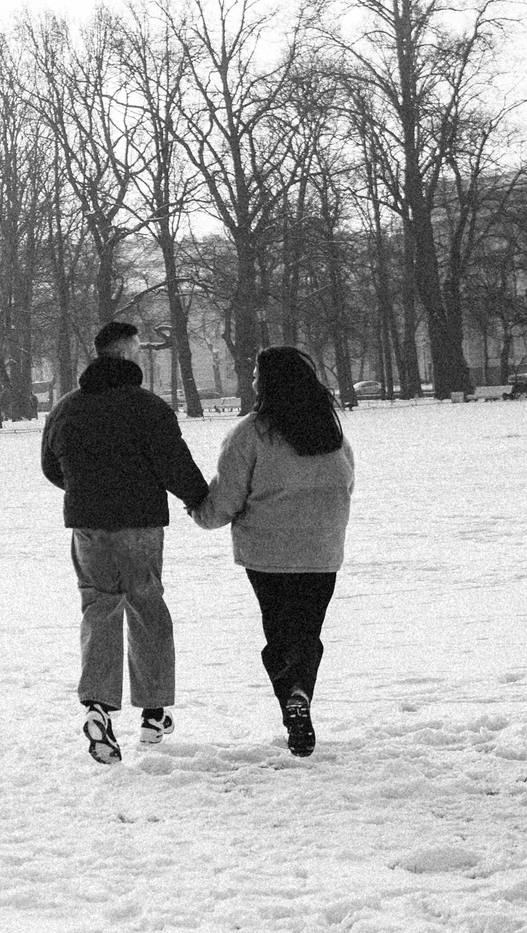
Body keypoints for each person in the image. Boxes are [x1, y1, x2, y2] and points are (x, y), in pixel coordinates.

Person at [41, 320, 211, 764]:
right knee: (146, 605)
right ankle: (153, 710)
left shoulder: (67, 408)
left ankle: (98, 705)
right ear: (128, 351)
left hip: (89, 524)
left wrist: (86, 489)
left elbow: (51, 465)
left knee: (99, 607)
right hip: (140, 522)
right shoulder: (148, 408)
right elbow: (174, 462)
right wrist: (200, 502)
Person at [190, 346, 354, 757]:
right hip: (322, 550)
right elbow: (346, 483)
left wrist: (199, 510)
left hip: (269, 554)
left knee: (280, 633)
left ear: (269, 382)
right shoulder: (331, 431)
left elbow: (224, 500)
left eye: (255, 375)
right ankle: (301, 693)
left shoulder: (252, 433)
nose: (251, 382)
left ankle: (292, 699)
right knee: (307, 632)